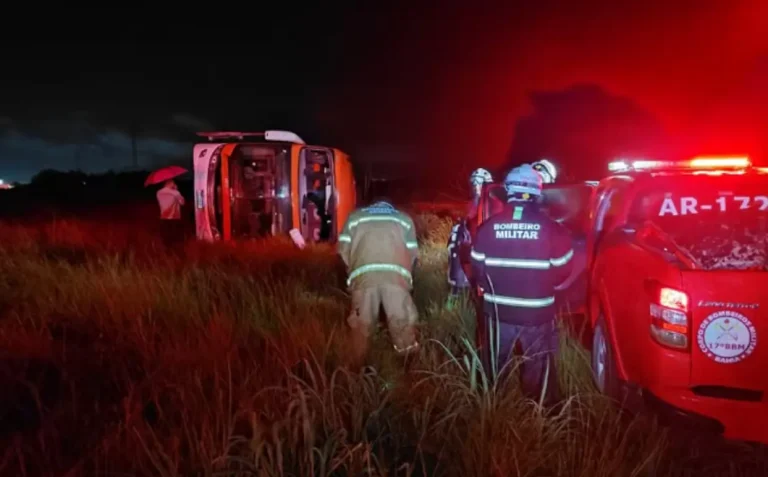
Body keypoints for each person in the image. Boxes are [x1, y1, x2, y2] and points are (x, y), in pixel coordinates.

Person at [470, 163, 574, 405]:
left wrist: (492, 286)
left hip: (498, 311)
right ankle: (537, 412)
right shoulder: (554, 230)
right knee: (538, 366)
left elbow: (478, 269)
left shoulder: (486, 229)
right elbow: (563, 270)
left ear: (509, 191)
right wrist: (544, 286)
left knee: (495, 365)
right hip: (537, 312)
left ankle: (492, 410)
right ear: (537, 192)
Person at [337, 197, 421, 366]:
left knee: (361, 325)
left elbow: (342, 252)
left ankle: (357, 370)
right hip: (396, 279)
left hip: (363, 278)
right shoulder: (404, 220)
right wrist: (408, 279)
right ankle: (408, 366)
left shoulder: (355, 218)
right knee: (401, 321)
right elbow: (413, 255)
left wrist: (351, 276)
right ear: (390, 205)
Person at [156, 179, 186, 245]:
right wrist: (176, 190)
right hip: (174, 216)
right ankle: (174, 248)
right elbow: (182, 203)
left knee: (166, 235)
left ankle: (166, 248)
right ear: (170, 183)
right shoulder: (175, 192)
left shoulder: (159, 192)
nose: (174, 184)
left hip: (163, 216)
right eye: (173, 183)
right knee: (174, 235)